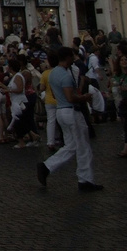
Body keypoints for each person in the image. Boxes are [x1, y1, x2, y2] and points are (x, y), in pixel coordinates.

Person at [37, 46, 101, 191]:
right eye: (72, 56)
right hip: (71, 111)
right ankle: (85, 179)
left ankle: (47, 166)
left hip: (60, 110)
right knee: (83, 146)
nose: (74, 58)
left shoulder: (53, 74)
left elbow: (54, 94)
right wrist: (84, 97)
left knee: (71, 145)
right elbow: (71, 97)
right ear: (67, 58)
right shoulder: (65, 76)